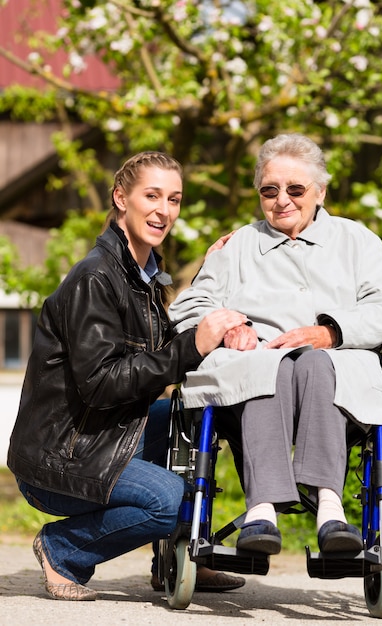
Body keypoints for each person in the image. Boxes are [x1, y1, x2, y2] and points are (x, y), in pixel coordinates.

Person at [7, 151, 248, 601]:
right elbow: (102, 384)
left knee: (197, 418)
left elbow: (157, 346)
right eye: (151, 195)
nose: (164, 210)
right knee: (168, 498)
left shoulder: (141, 277)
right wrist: (195, 343)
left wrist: (209, 274)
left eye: (173, 199)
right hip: (62, 457)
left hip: (105, 436)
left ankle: (184, 552)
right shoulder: (95, 278)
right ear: (121, 198)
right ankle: (62, 549)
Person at [168, 133, 382, 555]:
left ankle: (329, 507)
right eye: (270, 190)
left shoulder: (358, 241)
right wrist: (228, 327)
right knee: (273, 367)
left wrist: (332, 333)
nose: (282, 200)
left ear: (320, 192)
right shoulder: (238, 245)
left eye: (295, 189)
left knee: (317, 363)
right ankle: (261, 510)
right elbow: (189, 306)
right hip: (254, 380)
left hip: (336, 381)